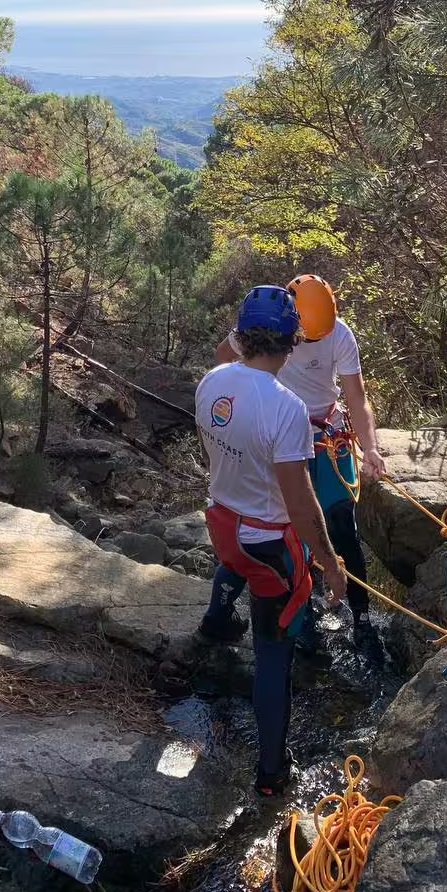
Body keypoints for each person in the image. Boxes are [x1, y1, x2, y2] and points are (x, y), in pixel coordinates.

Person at [196, 284, 347, 797]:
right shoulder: (285, 409)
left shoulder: (211, 383)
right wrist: (329, 562)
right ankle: (271, 773)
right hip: (268, 547)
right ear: (290, 344)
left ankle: (214, 625)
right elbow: (301, 506)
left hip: (225, 526)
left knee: (235, 564)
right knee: (272, 658)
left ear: (242, 335)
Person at [214, 274, 386, 662]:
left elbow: (357, 399)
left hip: (328, 434)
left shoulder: (338, 334)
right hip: (283, 434)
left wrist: (371, 447)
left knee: (342, 524)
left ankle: (362, 620)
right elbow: (224, 359)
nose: (308, 344)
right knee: (293, 527)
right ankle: (304, 613)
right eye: (305, 337)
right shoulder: (267, 326)